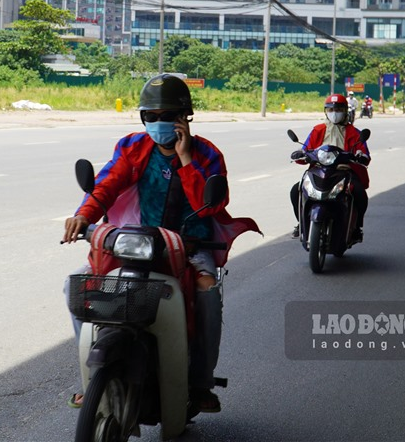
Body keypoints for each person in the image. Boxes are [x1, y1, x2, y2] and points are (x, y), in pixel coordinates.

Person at [63, 74, 260, 413]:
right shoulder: (132, 147)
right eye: (150, 116)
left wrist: (185, 160)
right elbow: (107, 184)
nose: (158, 123)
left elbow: (211, 205)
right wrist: (84, 214)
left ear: (185, 117)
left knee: (207, 291)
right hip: (139, 242)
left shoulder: (208, 155)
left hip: (193, 246)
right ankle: (92, 379)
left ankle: (200, 383)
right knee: (75, 287)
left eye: (166, 115)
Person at [289, 94, 371, 241]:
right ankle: (300, 223)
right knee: (296, 190)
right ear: (325, 111)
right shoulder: (318, 130)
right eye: (331, 109)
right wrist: (300, 154)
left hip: (344, 172)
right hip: (319, 170)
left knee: (360, 193)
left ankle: (357, 227)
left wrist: (361, 156)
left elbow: (364, 154)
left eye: (338, 109)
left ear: (345, 111)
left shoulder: (354, 133)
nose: (334, 112)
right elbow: (307, 148)